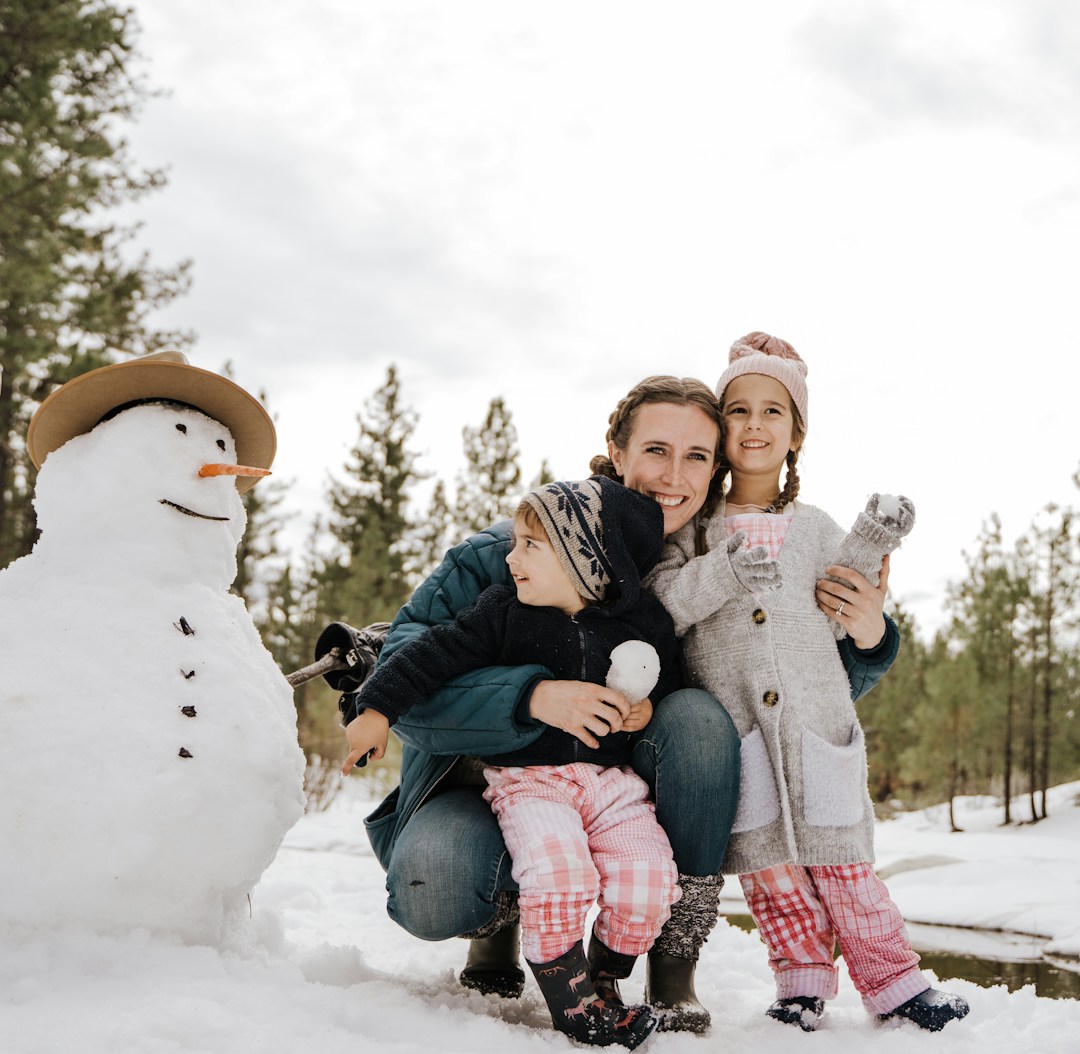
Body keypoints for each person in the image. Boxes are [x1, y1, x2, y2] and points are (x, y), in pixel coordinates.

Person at [352, 374, 900, 1034]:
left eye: (697, 456)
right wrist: (533, 696)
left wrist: (869, 640)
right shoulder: (511, 554)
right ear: (616, 452)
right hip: (491, 786)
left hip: (620, 789)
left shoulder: (716, 566)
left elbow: (788, 693)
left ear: (716, 470)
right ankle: (498, 923)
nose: (674, 475)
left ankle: (671, 964)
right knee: (434, 882)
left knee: (700, 721)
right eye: (655, 450)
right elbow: (402, 674)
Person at [646, 332, 970, 1034]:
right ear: (718, 425)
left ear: (797, 433)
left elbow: (852, 595)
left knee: (845, 864)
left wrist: (876, 541)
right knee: (772, 873)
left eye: (774, 411)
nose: (755, 425)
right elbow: (665, 605)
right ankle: (800, 983)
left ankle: (894, 983)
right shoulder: (693, 532)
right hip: (740, 733)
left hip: (818, 728)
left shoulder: (816, 528)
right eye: (739, 410)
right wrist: (726, 568)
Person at [342, 478, 680, 1048]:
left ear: (585, 560)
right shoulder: (503, 613)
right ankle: (571, 1000)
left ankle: (603, 973)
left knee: (649, 878)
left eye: (529, 545)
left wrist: (644, 712)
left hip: (610, 784)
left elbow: (669, 678)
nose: (511, 556)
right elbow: (431, 654)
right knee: (559, 875)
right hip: (532, 784)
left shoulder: (639, 624)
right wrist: (376, 708)